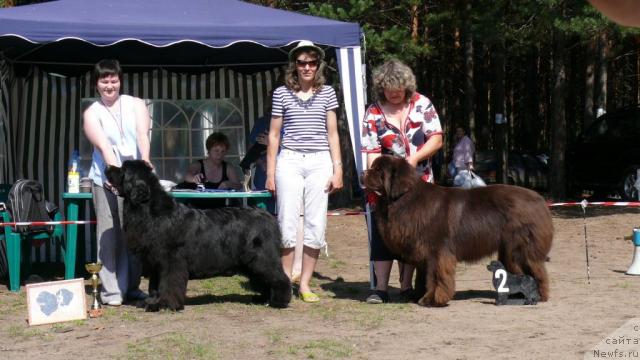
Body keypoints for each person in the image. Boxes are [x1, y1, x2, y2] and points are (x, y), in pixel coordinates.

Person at [266, 40, 343, 303]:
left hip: (320, 161)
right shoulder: (281, 93)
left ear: (318, 65)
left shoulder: (328, 93)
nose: (307, 67)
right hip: (289, 160)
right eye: (302, 62)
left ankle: (305, 284)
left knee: (315, 225)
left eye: (311, 62)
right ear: (294, 66)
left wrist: (338, 169)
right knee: (286, 223)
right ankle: (284, 283)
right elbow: (274, 136)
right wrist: (270, 172)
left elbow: (333, 134)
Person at [361, 59, 443, 304]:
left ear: (407, 86)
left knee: (413, 235)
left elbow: (436, 139)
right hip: (385, 187)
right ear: (381, 88)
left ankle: (407, 286)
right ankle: (381, 288)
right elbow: (371, 151)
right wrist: (375, 180)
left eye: (399, 89)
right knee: (383, 234)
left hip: (420, 185)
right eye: (389, 89)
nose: (394, 94)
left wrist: (415, 158)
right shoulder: (373, 113)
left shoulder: (422, 104)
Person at [83, 59, 151, 306]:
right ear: (96, 84)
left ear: (120, 80)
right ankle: (111, 292)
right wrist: (115, 175)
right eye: (104, 80)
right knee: (109, 235)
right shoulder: (92, 112)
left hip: (135, 181)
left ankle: (132, 287)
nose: (109, 85)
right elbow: (103, 146)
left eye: (113, 80)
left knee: (134, 234)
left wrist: (145, 161)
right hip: (106, 179)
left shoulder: (136, 104)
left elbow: (143, 135)